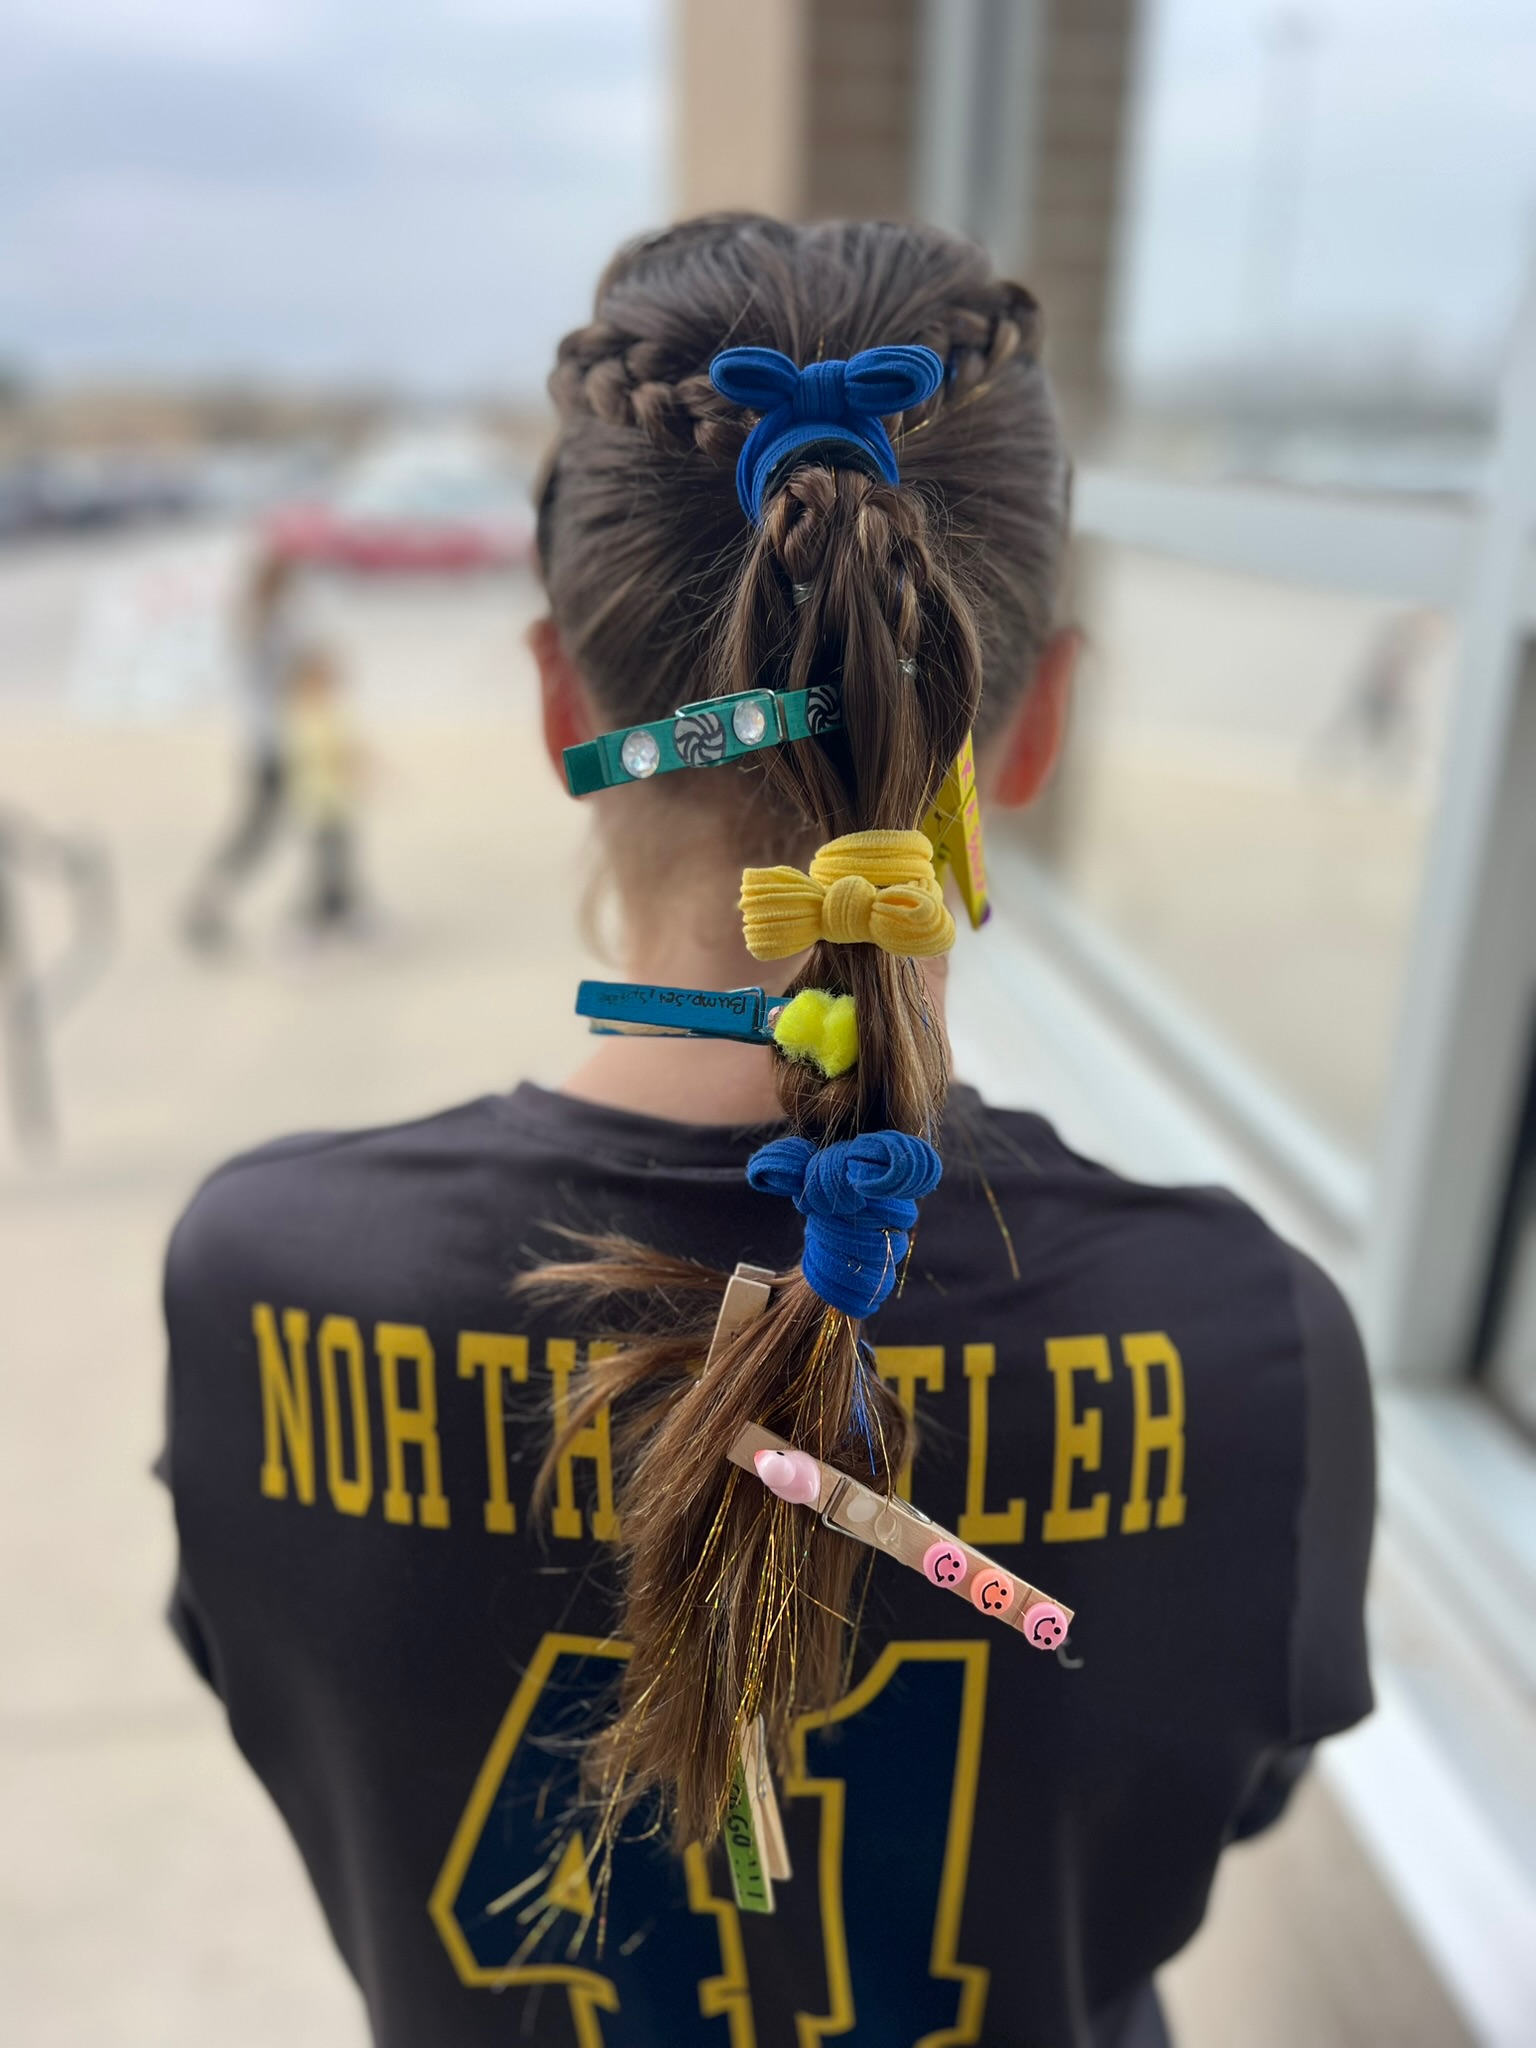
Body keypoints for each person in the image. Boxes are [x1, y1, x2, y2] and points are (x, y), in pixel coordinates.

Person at [159, 217, 1373, 2048]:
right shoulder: (1253, 1341)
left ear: (561, 702)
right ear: (1033, 729)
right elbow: (1224, 1797)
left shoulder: (265, 1281)